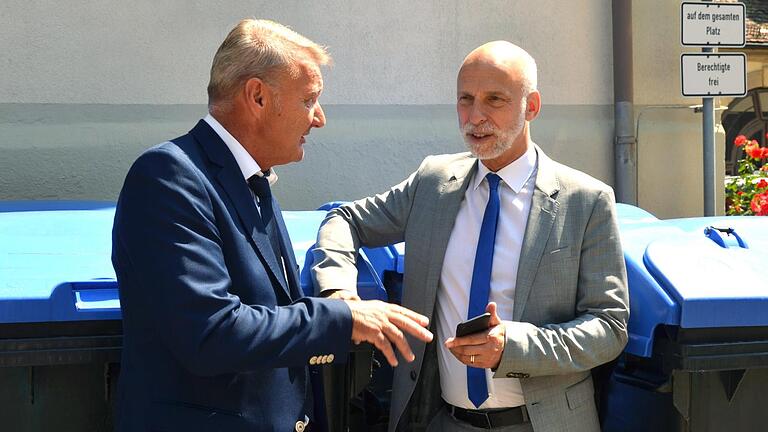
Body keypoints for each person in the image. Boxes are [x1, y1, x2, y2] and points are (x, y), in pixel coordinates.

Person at [111, 19, 432, 432]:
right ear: (257, 97)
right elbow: (211, 334)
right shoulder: (169, 178)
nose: (319, 118)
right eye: (309, 100)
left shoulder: (250, 179)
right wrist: (345, 318)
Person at [312, 41, 629, 432]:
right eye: (465, 99)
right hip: (443, 419)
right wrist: (340, 294)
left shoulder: (586, 200)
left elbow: (609, 328)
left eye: (494, 99)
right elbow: (344, 219)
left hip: (545, 423)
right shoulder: (433, 183)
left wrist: (513, 348)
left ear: (531, 106)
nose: (475, 116)